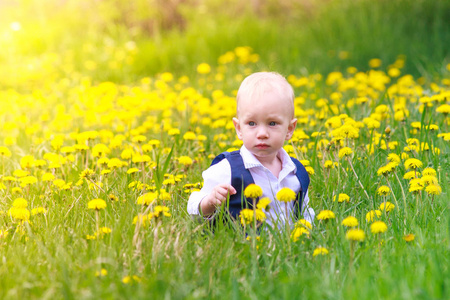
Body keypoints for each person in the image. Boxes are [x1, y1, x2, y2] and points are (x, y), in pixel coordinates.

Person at [187, 72, 315, 229]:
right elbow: (193, 208)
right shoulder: (229, 169)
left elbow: (305, 211)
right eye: (252, 123)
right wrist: (209, 202)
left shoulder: (295, 172)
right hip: (244, 248)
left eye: (272, 123)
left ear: (289, 129)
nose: (262, 133)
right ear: (239, 128)